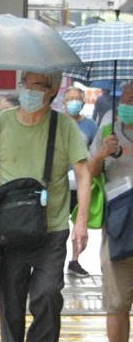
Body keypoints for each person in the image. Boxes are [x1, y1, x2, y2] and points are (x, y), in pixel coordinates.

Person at [0, 70, 91, 342]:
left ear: (51, 91)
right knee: (10, 298)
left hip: (51, 227)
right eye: (24, 84)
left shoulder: (63, 126)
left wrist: (80, 222)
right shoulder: (2, 120)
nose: (27, 90)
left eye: (35, 85)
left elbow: (83, 173)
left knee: (48, 292)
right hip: (9, 227)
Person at [88, 104, 133, 342]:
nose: (129, 105)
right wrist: (103, 154)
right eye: (126, 99)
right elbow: (89, 173)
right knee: (117, 301)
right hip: (119, 226)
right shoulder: (107, 132)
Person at [63, 88, 98, 277]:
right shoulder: (58, 123)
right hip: (60, 183)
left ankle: (75, 260)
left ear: (83, 103)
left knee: (79, 222)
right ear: (63, 102)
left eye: (78, 99)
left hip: (81, 183)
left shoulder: (91, 126)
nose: (74, 102)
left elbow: (94, 153)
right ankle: (53, 260)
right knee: (59, 224)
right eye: (71, 99)